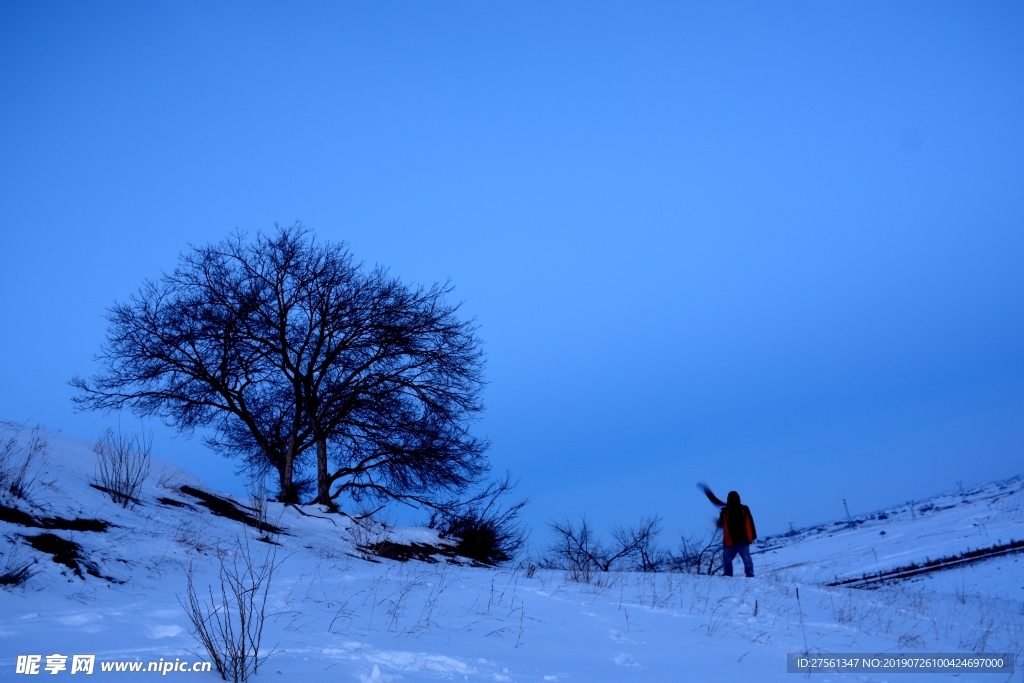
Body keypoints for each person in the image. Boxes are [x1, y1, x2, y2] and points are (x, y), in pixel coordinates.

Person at [717, 490, 756, 578]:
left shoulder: (744, 509)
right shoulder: (725, 511)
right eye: (732, 498)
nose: (734, 500)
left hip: (743, 539)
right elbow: (720, 524)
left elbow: (750, 522)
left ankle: (750, 574)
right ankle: (728, 575)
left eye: (735, 498)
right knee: (726, 559)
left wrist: (753, 535)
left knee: (747, 559)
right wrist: (718, 521)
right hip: (730, 541)